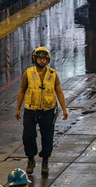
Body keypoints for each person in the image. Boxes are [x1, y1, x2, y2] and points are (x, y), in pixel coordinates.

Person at [15, 46, 68, 176]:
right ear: (35, 59)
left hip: (48, 111)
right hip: (31, 110)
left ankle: (45, 161)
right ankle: (31, 159)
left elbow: (59, 92)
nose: (42, 61)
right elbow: (22, 90)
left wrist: (64, 109)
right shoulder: (28, 73)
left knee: (47, 137)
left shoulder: (53, 74)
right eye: (39, 58)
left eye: (44, 58)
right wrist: (17, 108)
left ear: (47, 60)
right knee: (28, 136)